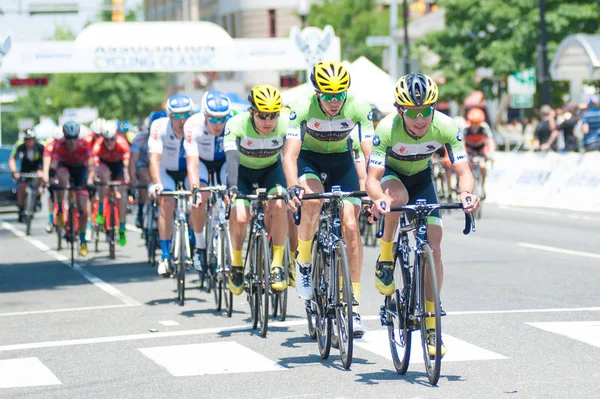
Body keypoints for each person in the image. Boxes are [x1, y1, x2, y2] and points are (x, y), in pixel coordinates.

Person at [367, 73, 480, 357]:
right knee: (397, 199)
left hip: (421, 177)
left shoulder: (445, 125)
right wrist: (379, 199)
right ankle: (385, 254)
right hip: (392, 177)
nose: (420, 119)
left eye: (426, 111)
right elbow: (372, 178)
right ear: (400, 110)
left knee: (435, 243)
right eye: (413, 112)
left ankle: (431, 321)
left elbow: (464, 170)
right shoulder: (386, 129)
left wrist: (466, 193)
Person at [283, 60, 373, 337]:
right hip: (309, 160)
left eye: (339, 95)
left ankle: (354, 307)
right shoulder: (301, 107)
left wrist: (372, 187)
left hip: (342, 161)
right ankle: (305, 261)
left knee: (350, 225)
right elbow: (290, 155)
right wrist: (291, 186)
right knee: (312, 201)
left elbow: (370, 154)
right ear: (317, 92)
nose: (334, 102)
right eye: (327, 95)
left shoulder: (359, 106)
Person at [223, 85, 289, 295]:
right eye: (262, 116)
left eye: (273, 116)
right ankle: (236, 262)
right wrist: (232, 186)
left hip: (270, 171)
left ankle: (277, 265)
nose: (268, 122)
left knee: (280, 203)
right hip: (242, 173)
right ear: (251, 112)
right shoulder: (236, 124)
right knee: (241, 217)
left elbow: (290, 158)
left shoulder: (286, 124)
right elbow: (232, 160)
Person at [184, 90, 231, 272]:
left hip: (224, 162)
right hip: (202, 162)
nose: (219, 124)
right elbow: (192, 164)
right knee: (199, 200)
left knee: (232, 198)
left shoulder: (232, 123)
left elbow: (236, 159)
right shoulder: (192, 125)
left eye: (222, 119)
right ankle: (200, 246)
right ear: (204, 115)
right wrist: (195, 190)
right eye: (213, 119)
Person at [148, 94, 194, 276]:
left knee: (196, 201)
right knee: (166, 203)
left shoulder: (196, 126)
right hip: (167, 172)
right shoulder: (159, 127)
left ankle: (193, 238)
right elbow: (154, 158)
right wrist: (157, 183)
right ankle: (166, 255)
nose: (182, 120)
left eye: (185, 115)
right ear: (169, 115)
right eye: (177, 116)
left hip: (189, 171)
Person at [46, 121, 96, 256]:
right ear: (64, 137)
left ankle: (83, 240)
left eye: (74, 138)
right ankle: (61, 209)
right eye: (68, 138)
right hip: (65, 168)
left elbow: (91, 166)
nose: (71, 141)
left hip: (80, 171)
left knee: (83, 209)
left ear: (78, 136)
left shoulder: (85, 145)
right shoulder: (59, 145)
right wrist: (51, 180)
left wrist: (90, 181)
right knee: (61, 176)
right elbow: (53, 166)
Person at [93, 120, 131, 246]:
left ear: (116, 137)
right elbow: (94, 165)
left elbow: (126, 165)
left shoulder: (122, 144)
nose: (109, 143)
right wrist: (94, 177)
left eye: (112, 139)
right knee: (104, 177)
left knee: (120, 196)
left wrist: (129, 179)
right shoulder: (98, 146)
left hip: (118, 167)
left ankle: (121, 227)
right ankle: (100, 212)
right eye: (106, 140)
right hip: (104, 165)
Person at [130, 111, 167, 228]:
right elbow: (133, 160)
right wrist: (132, 178)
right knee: (145, 177)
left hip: (162, 164)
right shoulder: (139, 139)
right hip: (144, 164)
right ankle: (141, 212)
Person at [9, 129, 45, 222]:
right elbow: (12, 159)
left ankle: (37, 195)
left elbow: (47, 160)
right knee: (22, 186)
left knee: (40, 176)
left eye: (31, 139)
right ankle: (21, 208)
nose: (29, 142)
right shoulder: (20, 146)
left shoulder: (40, 147)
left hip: (38, 167)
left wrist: (45, 173)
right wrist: (14, 171)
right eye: (27, 140)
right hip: (25, 168)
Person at [464, 107, 495, 199]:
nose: (475, 126)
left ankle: (482, 185)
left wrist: (491, 154)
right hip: (469, 148)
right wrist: (464, 154)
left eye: (477, 124)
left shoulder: (485, 127)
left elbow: (490, 141)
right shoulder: (465, 128)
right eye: (473, 123)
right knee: (469, 165)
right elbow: (461, 143)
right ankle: (470, 185)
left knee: (482, 166)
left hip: (481, 148)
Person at [42, 127, 64, 233]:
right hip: (53, 170)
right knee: (52, 194)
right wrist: (46, 177)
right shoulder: (50, 146)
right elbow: (46, 165)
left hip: (64, 169)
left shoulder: (67, 146)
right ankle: (50, 220)